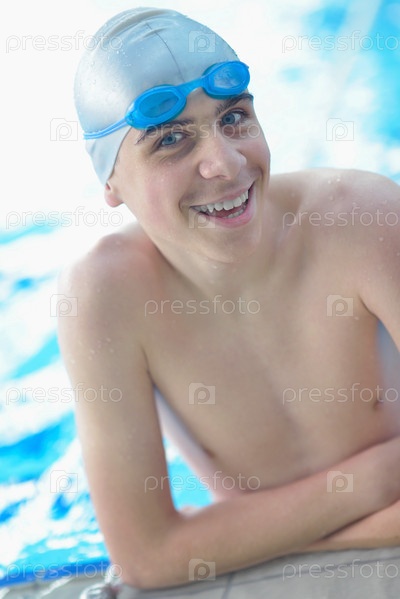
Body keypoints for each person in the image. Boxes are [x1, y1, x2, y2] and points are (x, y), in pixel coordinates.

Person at [58, 7, 400, 598]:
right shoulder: (103, 298)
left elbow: (166, 553)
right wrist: (377, 484)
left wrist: (227, 541)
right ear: (110, 183)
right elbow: (146, 557)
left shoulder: (363, 219)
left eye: (234, 118)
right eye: (170, 140)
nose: (227, 163)